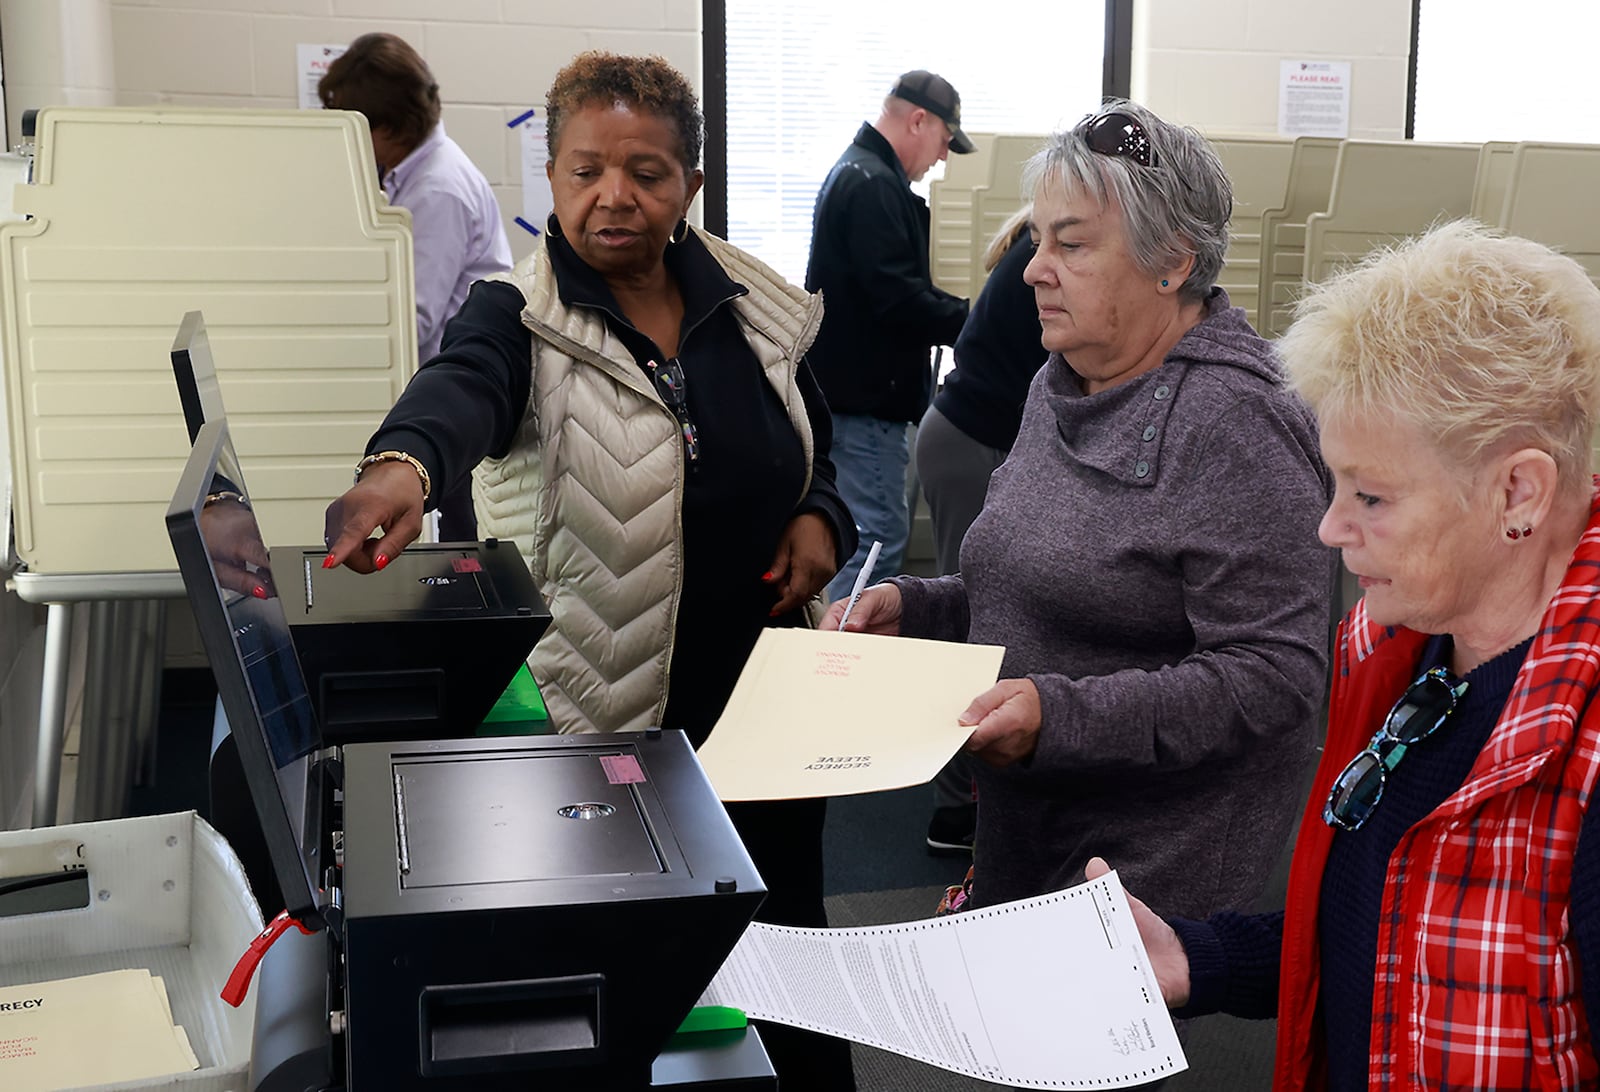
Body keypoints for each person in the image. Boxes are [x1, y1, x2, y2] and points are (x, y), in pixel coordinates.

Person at [322, 51, 858, 1090]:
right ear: (553, 176)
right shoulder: (518, 317)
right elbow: (458, 388)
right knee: (638, 1000)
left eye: (647, 172)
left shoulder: (754, 307)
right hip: (613, 719)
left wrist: (818, 515)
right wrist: (400, 468)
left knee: (789, 956)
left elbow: (809, 445)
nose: (614, 195)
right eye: (585, 170)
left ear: (689, 186)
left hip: (767, 709)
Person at [1102, 220, 1600, 1089]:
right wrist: (1197, 956)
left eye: (1371, 495)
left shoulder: (1584, 755)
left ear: (1519, 491)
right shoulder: (1406, 649)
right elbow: (1393, 930)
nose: (1331, 529)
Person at [823, 102, 1333, 928]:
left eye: (1071, 244)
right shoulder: (1063, 381)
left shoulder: (1236, 421)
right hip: (1030, 824)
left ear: (1173, 262)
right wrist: (917, 609)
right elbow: (1034, 578)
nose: (1032, 269)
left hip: (1141, 867)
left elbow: (1275, 680)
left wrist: (1061, 718)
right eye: (1038, 241)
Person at [318, 32, 513, 540]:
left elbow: (415, 319)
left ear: (389, 126)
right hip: (447, 397)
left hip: (452, 397)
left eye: (356, 126)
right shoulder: (415, 175)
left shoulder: (437, 190)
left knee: (453, 557)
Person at [805, 70, 973, 604]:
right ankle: (846, 670)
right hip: (865, 408)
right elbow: (898, 300)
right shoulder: (873, 185)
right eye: (945, 142)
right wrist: (977, 319)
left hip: (855, 403)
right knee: (874, 544)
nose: (943, 158)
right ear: (919, 121)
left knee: (867, 539)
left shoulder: (860, 173)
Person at [915, 203, 1046, 856]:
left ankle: (960, 800)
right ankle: (953, 812)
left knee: (977, 618)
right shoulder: (1043, 255)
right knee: (974, 626)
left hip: (964, 440)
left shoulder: (1031, 240)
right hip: (972, 446)